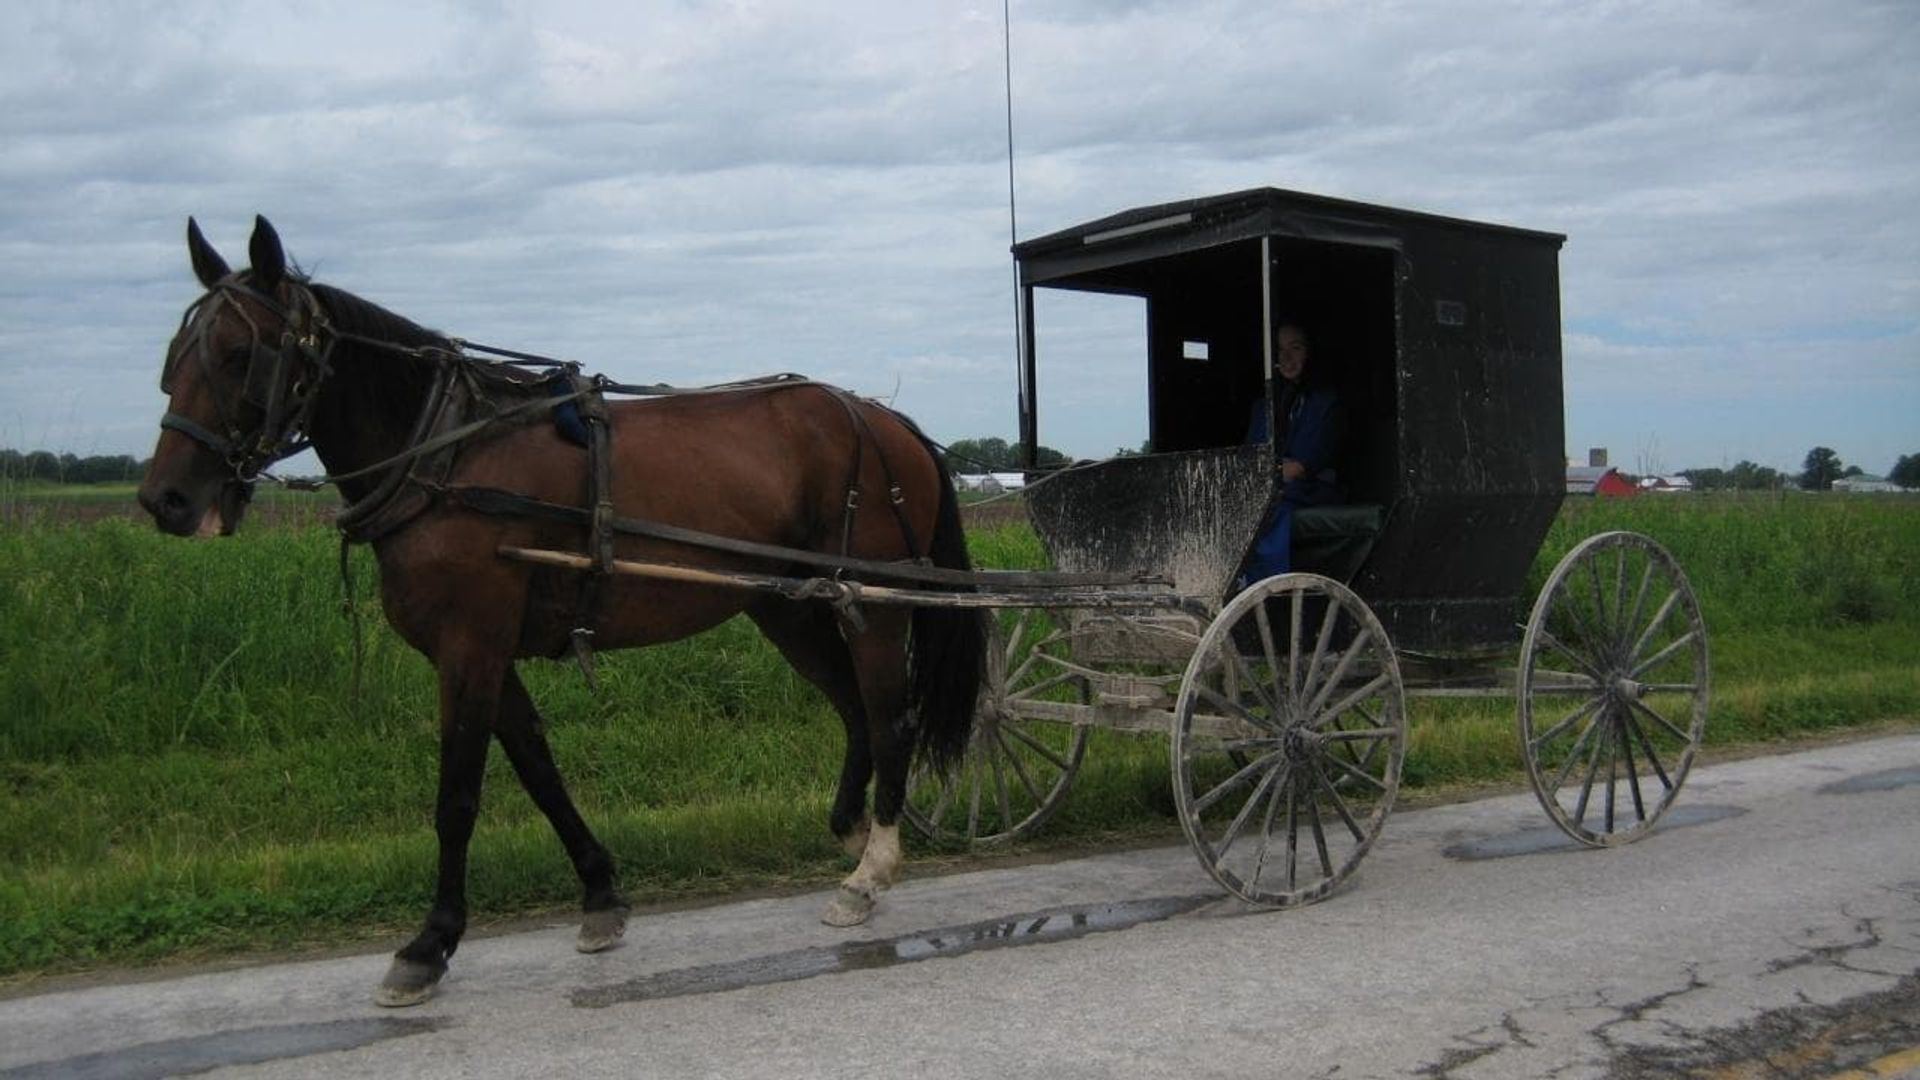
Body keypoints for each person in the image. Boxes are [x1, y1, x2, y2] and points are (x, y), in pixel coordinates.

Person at [1242, 321, 1346, 582]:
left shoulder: (1326, 403)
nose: (1286, 357)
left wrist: (1263, 475)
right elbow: (1250, 458)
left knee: (1269, 506)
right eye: (1279, 351)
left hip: (1312, 489)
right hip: (1274, 484)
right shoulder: (1264, 406)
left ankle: (1264, 583)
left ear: (1310, 352)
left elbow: (1300, 467)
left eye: (1295, 348)